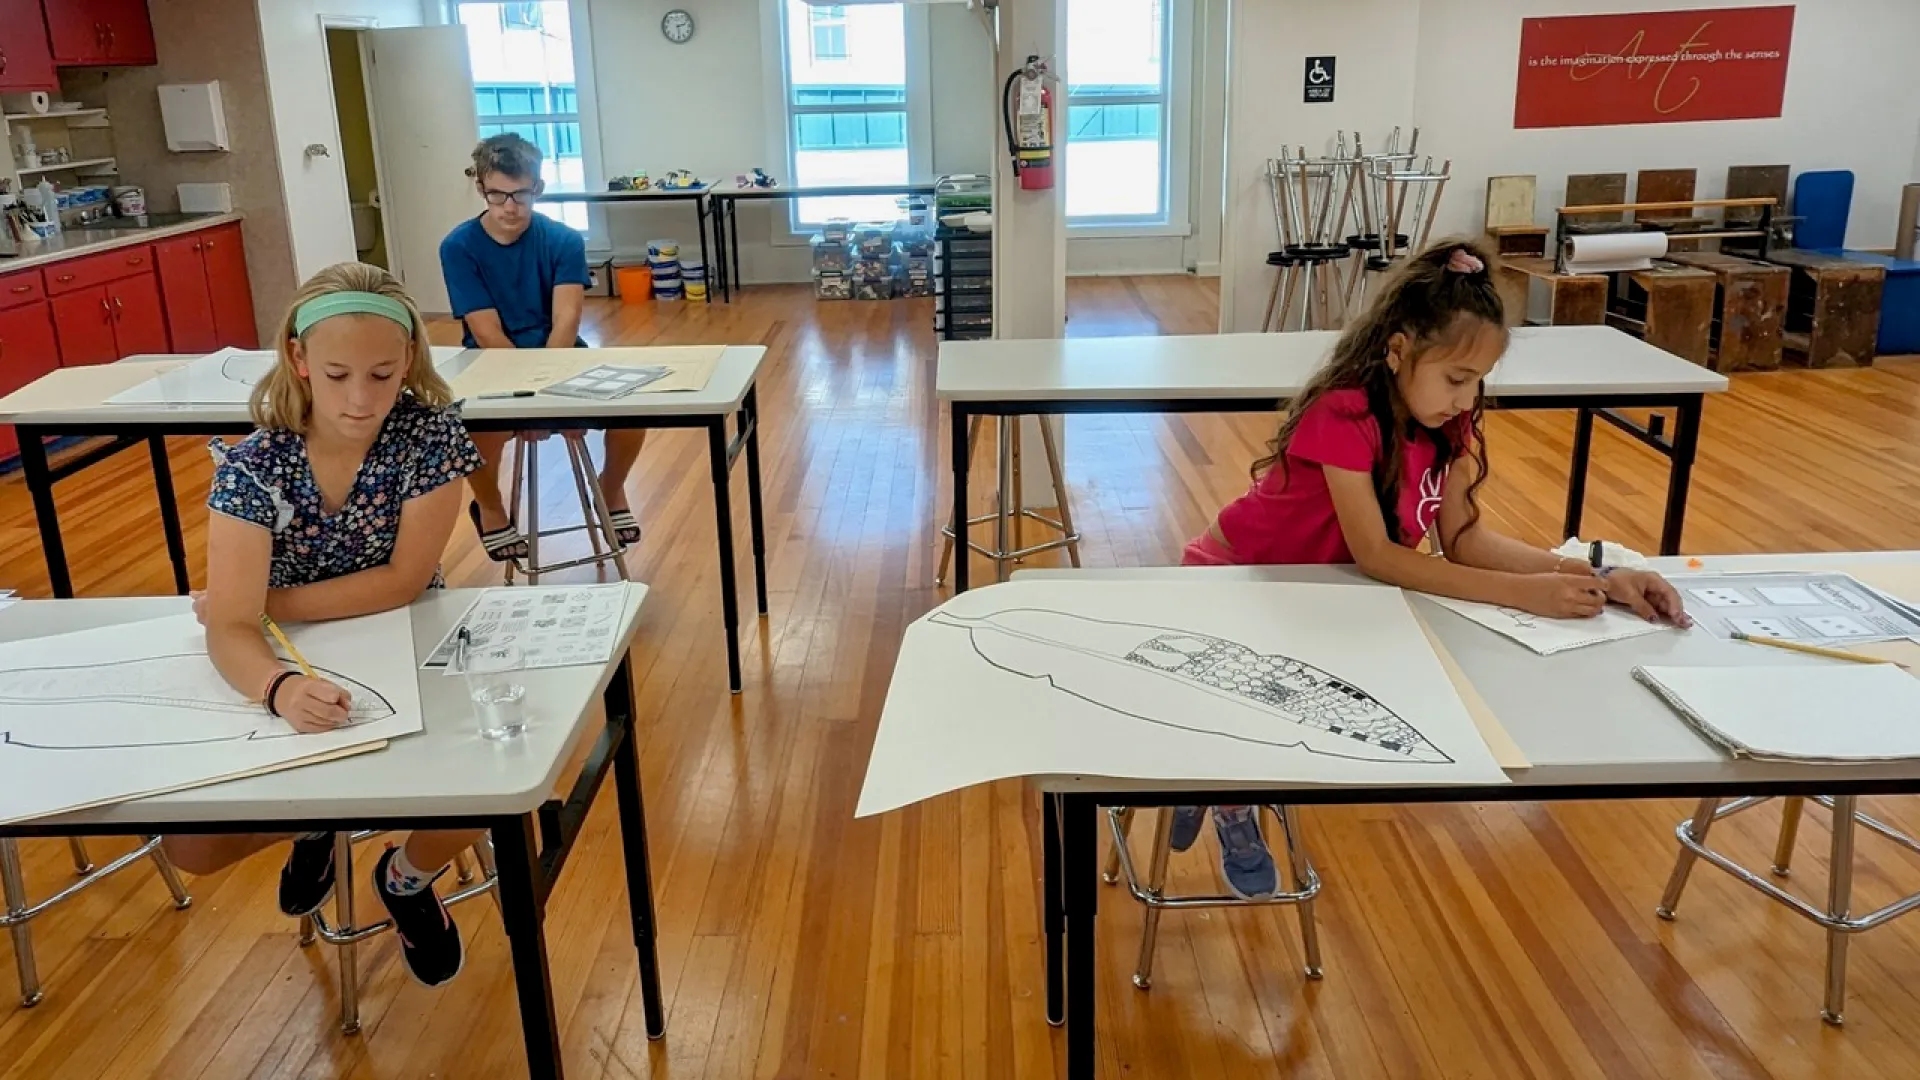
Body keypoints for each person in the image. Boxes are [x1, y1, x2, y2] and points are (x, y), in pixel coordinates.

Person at [1176, 238, 1691, 899]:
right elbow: (1379, 555)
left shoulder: (1449, 425)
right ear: (1397, 353)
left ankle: (1210, 775)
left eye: (1479, 380)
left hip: (1322, 593)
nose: (1467, 397)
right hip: (1238, 579)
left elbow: (1465, 540)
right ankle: (1222, 793)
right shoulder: (1346, 411)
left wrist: (1594, 573)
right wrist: (1527, 593)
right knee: (1255, 699)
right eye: (1455, 378)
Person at [164, 262, 484, 988]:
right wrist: (276, 688)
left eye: (381, 374)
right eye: (338, 375)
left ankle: (405, 878)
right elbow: (230, 635)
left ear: (408, 358)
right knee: (192, 845)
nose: (362, 398)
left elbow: (401, 583)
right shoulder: (252, 465)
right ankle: (315, 820)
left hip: (409, 633)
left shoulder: (429, 436)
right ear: (300, 360)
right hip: (294, 660)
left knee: (496, 776)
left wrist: (260, 603)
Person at [440, 133, 644, 562]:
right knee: (474, 429)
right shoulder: (458, 246)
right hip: (490, 360)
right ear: (481, 188)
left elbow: (566, 320)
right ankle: (491, 508)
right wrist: (527, 404)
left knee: (633, 409)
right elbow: (486, 331)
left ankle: (610, 488)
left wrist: (550, 399)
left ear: (539, 189)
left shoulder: (564, 240)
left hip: (561, 354)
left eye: (521, 194)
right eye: (498, 195)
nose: (510, 206)